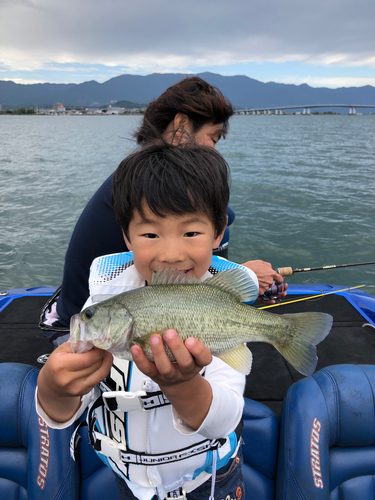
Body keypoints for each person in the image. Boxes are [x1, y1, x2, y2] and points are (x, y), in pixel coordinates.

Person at [36, 141, 258, 500]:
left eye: (191, 233)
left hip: (210, 482)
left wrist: (185, 385)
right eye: (151, 234)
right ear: (127, 237)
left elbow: (225, 419)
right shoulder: (104, 302)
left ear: (218, 234)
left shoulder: (217, 307)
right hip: (132, 485)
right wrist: (52, 391)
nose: (171, 254)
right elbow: (68, 412)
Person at [40, 76, 286, 346]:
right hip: (83, 325)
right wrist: (244, 274)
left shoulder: (132, 180)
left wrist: (236, 279)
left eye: (191, 232)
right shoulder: (136, 190)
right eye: (213, 138)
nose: (215, 149)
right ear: (181, 125)